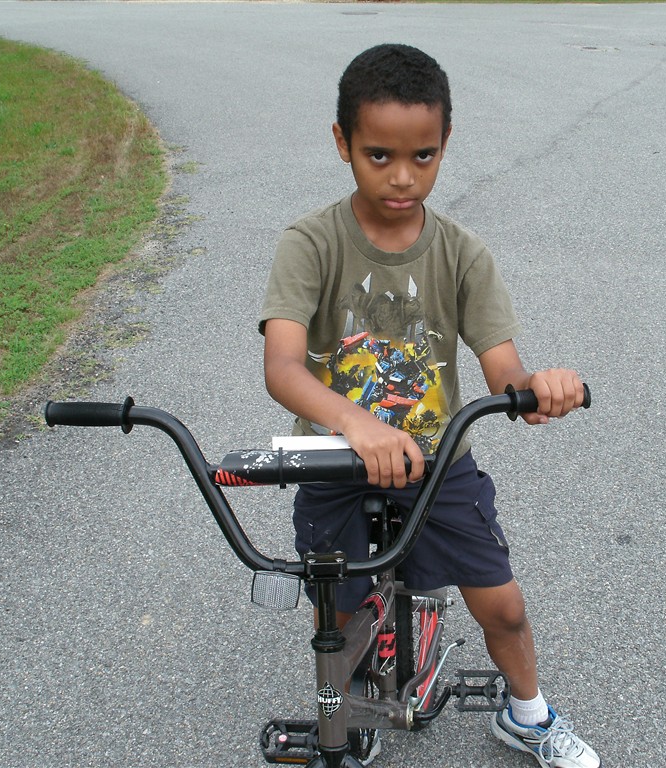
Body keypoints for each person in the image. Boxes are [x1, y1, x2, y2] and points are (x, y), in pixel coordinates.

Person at [259, 43, 599, 768]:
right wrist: (356, 423)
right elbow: (283, 368)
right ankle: (351, 712)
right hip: (334, 459)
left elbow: (504, 369)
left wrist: (538, 389)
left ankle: (528, 714)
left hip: (436, 459)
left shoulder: (462, 253)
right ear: (342, 142)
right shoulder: (310, 244)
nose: (402, 176)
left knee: (502, 604)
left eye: (424, 155)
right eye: (378, 155)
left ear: (446, 144)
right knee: (338, 611)